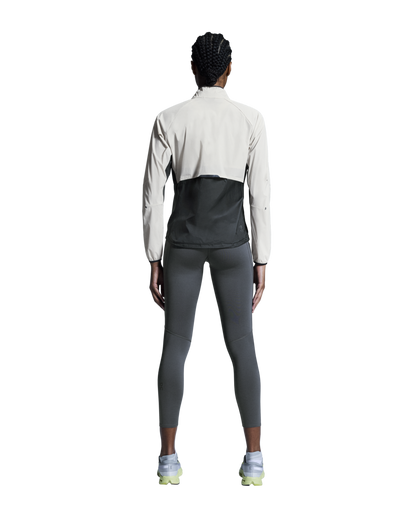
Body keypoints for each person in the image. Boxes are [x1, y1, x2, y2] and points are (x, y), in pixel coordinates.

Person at [140, 28, 272, 488]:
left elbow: (152, 197)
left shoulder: (167, 117)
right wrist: (263, 261)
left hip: (181, 247)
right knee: (244, 346)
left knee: (175, 345)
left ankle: (167, 461)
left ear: (191, 68)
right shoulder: (253, 117)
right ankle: (254, 461)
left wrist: (152, 258)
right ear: (231, 69)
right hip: (234, 247)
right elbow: (262, 197)